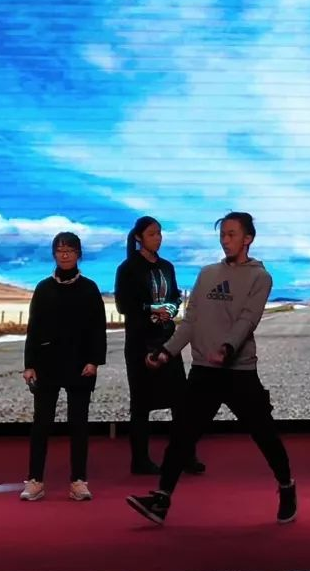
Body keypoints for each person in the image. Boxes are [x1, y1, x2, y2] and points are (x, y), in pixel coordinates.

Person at [126, 212, 297, 525]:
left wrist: (228, 347)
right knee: (182, 435)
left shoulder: (260, 277)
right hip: (204, 370)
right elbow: (190, 322)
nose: (225, 240)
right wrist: (166, 351)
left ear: (248, 238)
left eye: (232, 234)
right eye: (222, 235)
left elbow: (248, 319)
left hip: (239, 372)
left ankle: (286, 486)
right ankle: (161, 499)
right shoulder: (207, 274)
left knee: (264, 434)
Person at [20, 232, 107, 502]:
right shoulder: (43, 288)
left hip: (80, 364)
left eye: (70, 249)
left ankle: (78, 481)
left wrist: (94, 361)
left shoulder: (89, 288)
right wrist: (29, 364)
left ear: (79, 253)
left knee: (78, 424)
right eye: (59, 250)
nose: (65, 254)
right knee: (41, 424)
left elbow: (98, 328)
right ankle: (35, 481)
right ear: (54, 254)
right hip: (47, 364)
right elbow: (33, 328)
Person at [114, 216, 204, 476]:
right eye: (152, 234)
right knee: (141, 404)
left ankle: (185, 455)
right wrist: (153, 309)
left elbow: (175, 296)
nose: (158, 238)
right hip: (140, 342)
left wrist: (171, 309)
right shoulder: (128, 268)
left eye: (160, 233)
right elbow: (123, 305)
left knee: (181, 401)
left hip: (167, 341)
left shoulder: (167, 266)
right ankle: (140, 461)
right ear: (139, 237)